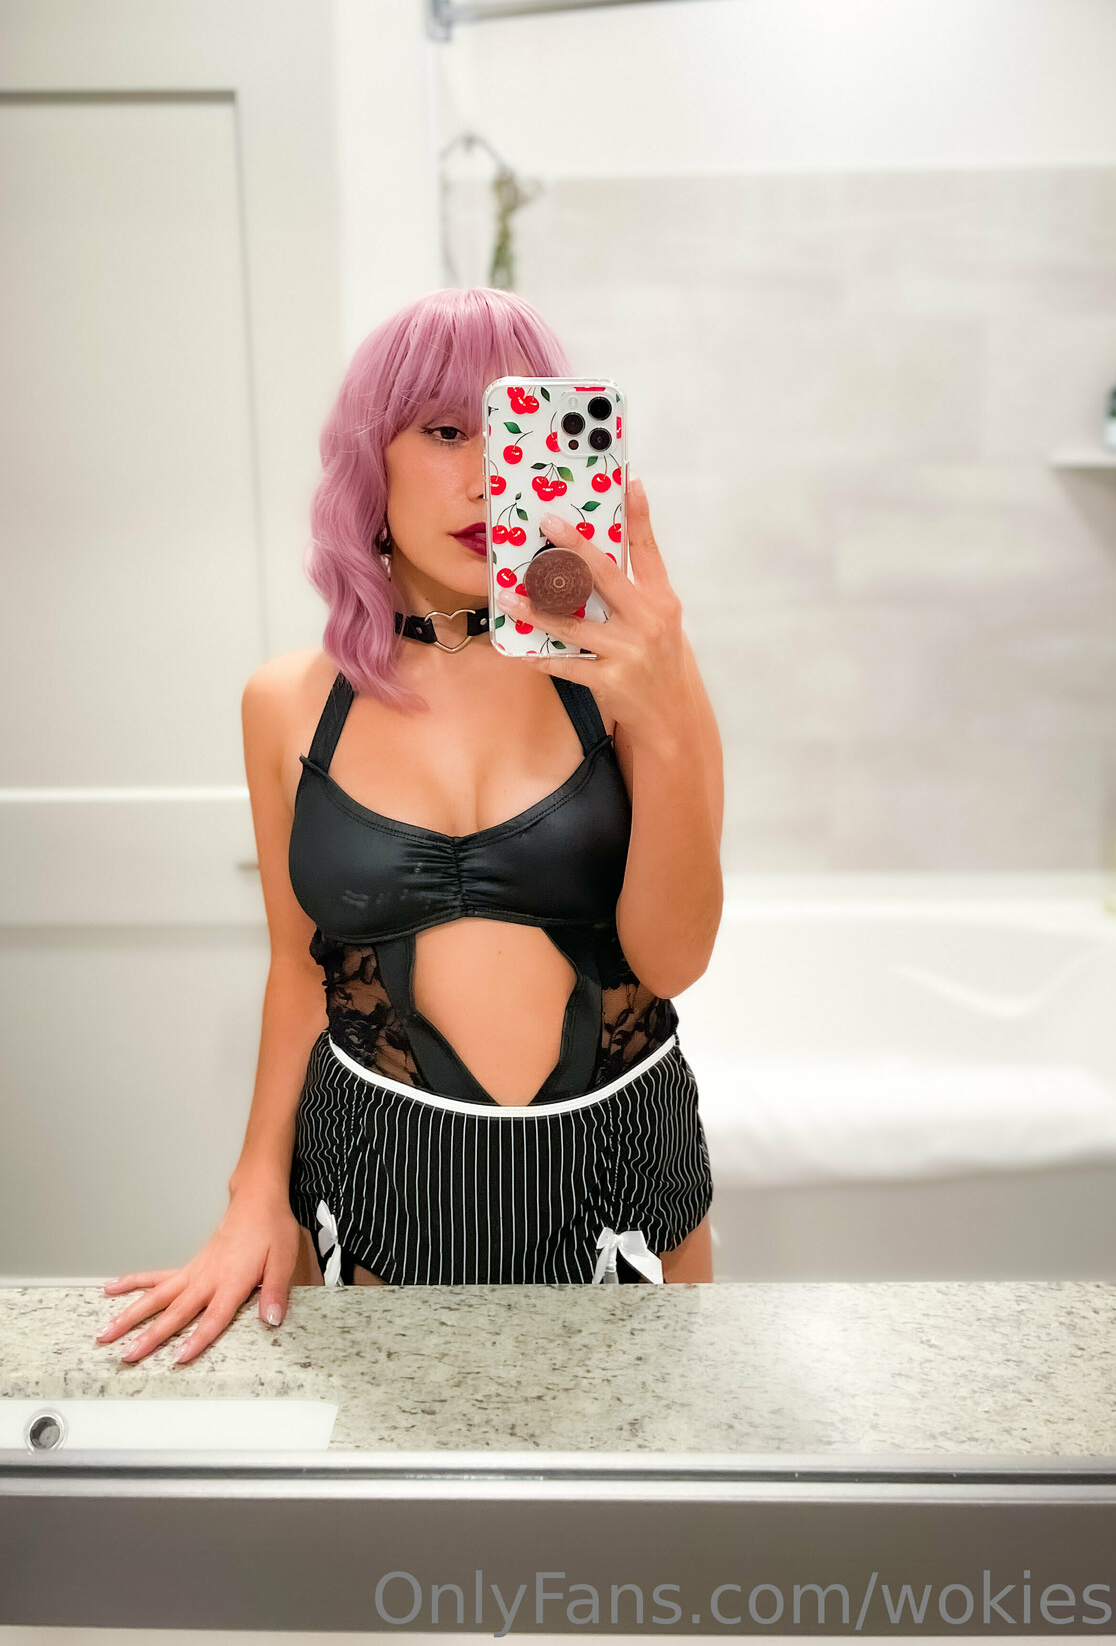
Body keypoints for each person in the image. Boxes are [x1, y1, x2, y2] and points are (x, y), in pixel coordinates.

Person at [98, 288, 723, 1366]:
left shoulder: (627, 677)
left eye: (514, 428)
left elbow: (674, 960)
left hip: (624, 1187)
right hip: (380, 1181)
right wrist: (254, 1193)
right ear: (368, 460)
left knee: (644, 1470)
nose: (486, 474)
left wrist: (662, 716)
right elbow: (298, 969)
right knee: (390, 1466)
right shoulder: (287, 704)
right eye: (444, 431)